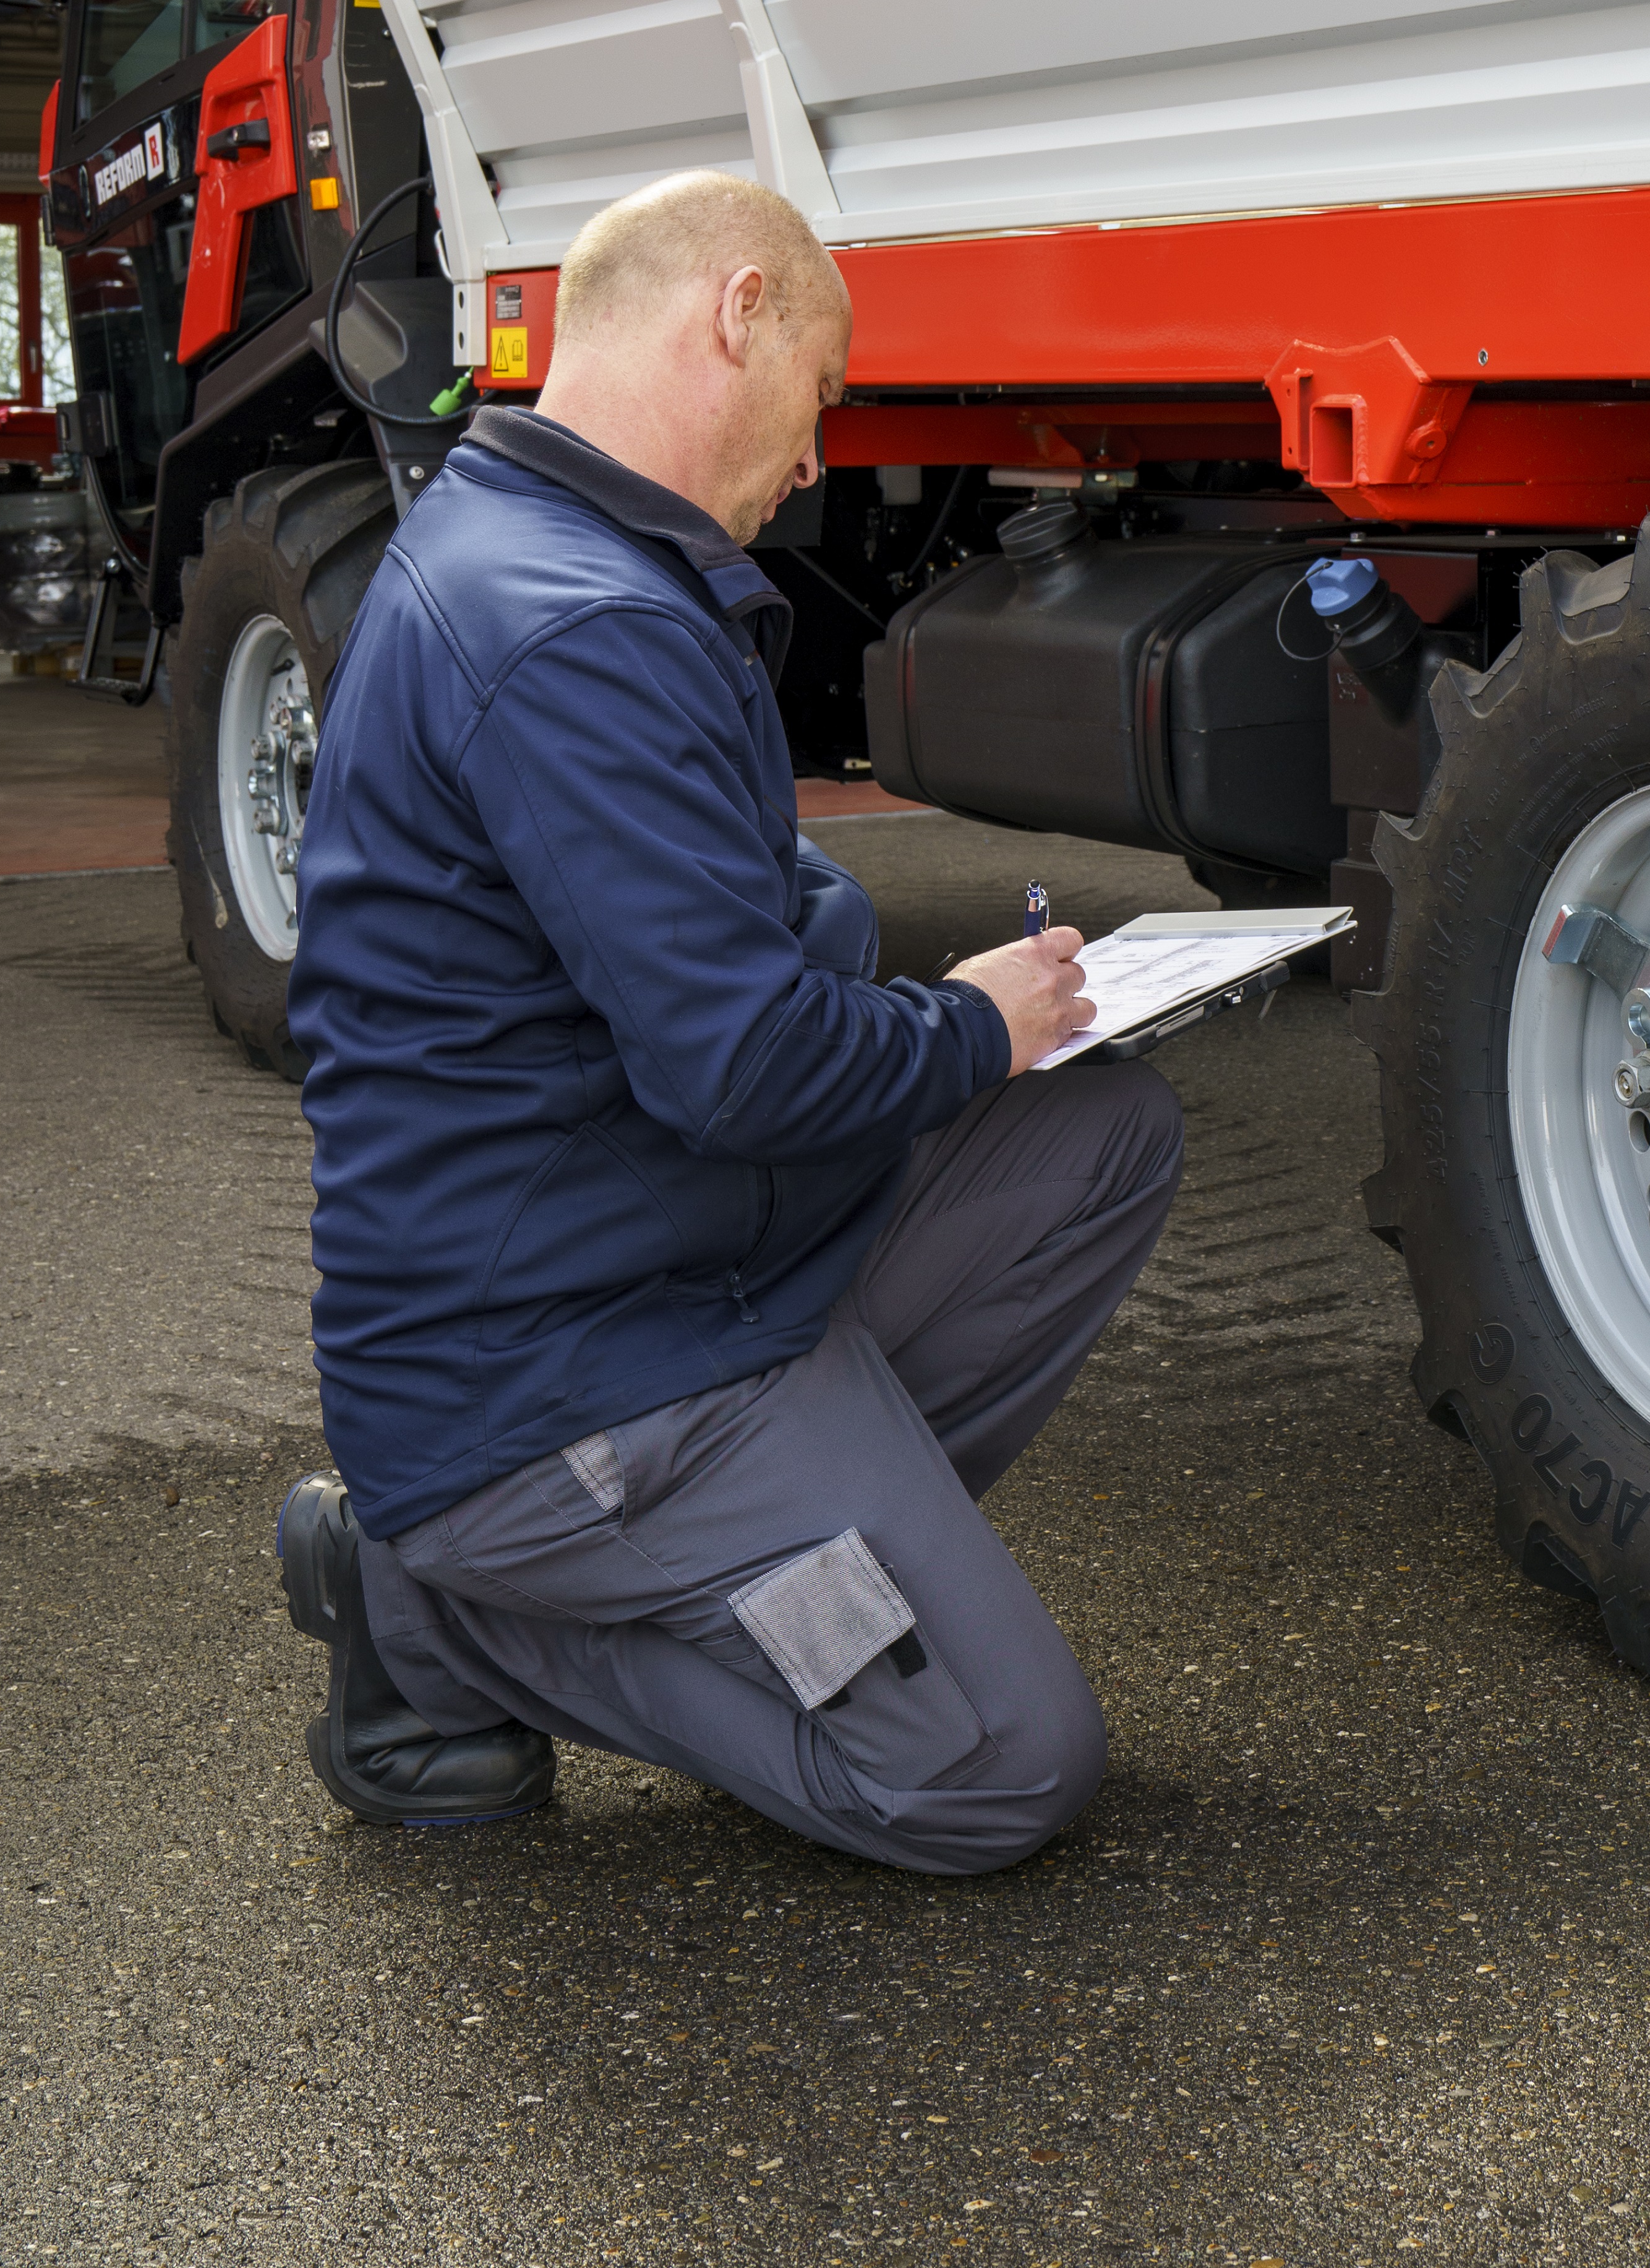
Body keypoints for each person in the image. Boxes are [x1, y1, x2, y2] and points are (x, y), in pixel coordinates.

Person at [271, 168, 1182, 1864]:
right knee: (998, 1768)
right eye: (825, 397)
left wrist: (950, 1013)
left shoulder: (556, 559)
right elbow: (746, 1062)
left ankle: (801, 1547)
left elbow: (761, 940)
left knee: (1098, 1129)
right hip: (568, 1370)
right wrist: (971, 1023)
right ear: (737, 312)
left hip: (683, 1266)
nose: (822, 455)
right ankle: (430, 1616)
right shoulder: (569, 627)